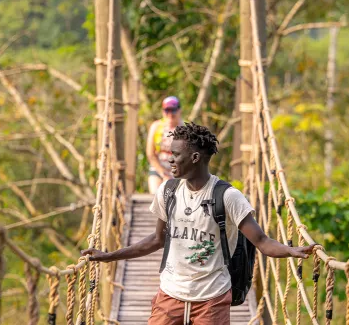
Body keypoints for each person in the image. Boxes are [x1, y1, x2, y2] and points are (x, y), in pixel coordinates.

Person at [82, 122, 315, 325]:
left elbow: (262, 241)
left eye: (176, 155)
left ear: (195, 158)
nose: (169, 159)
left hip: (211, 298)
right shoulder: (168, 191)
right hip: (170, 294)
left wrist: (291, 251)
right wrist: (107, 256)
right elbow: (157, 239)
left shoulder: (228, 197)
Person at [146, 96, 183, 194]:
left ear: (179, 111)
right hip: (158, 168)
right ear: (163, 112)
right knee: (155, 193)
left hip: (179, 171)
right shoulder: (156, 127)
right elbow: (150, 154)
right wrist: (163, 172)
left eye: (173, 110)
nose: (170, 114)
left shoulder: (186, 129)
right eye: (167, 110)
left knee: (169, 192)